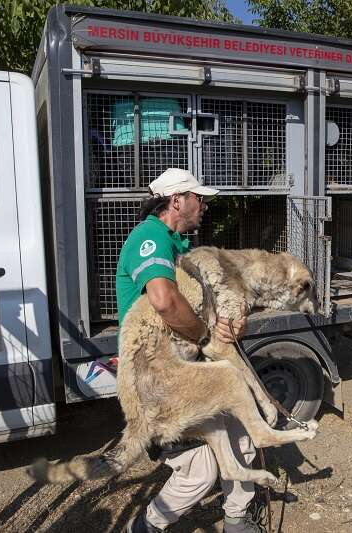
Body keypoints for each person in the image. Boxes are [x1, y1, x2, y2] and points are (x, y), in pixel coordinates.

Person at [115, 168, 263, 533]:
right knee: (200, 470)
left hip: (189, 371)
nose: (205, 205)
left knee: (242, 429)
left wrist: (230, 323)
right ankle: (146, 528)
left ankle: (237, 519)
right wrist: (204, 337)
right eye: (200, 198)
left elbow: (205, 305)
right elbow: (165, 301)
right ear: (176, 200)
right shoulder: (149, 238)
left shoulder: (179, 245)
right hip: (160, 378)